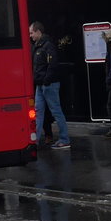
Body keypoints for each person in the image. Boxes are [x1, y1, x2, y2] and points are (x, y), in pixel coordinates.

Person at [29, 21, 71, 150]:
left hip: (48, 84)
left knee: (54, 111)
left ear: (38, 31)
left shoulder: (47, 46)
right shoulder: (39, 45)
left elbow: (52, 65)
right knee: (38, 111)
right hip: (42, 84)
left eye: (31, 33)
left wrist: (46, 80)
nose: (30, 36)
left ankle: (64, 139)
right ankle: (34, 140)